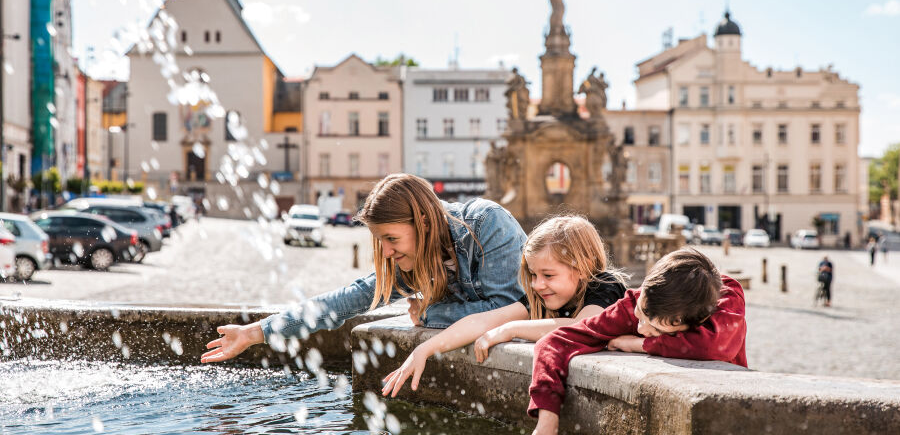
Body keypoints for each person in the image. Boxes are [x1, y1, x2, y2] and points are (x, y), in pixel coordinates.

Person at [201, 173, 527, 364]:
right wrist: (255, 332)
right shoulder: (415, 258)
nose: (386, 252)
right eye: (380, 240)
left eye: (391, 238)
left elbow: (510, 309)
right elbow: (347, 300)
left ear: (424, 223)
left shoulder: (487, 223)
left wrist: (431, 314)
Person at [380, 215, 627, 397]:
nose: (537, 285)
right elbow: (483, 321)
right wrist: (424, 349)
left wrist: (511, 329)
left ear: (583, 267)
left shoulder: (605, 285)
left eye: (548, 275)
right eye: (533, 275)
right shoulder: (540, 297)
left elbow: (582, 326)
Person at [527, 248, 746, 435]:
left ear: (689, 323)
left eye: (656, 329)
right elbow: (554, 342)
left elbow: (712, 346)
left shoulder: (726, 298)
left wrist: (638, 345)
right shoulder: (632, 304)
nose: (640, 329)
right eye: (640, 314)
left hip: (729, 416)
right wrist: (547, 419)